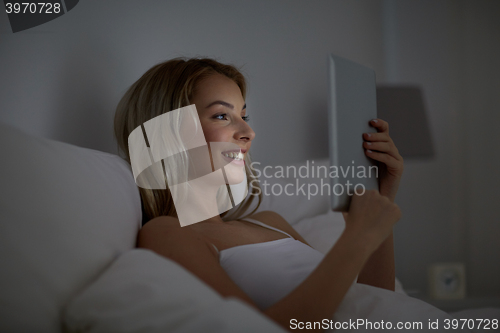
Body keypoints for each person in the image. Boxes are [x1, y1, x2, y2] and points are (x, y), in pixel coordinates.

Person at [114, 57, 404, 332]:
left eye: (243, 115)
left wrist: (382, 197)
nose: (248, 132)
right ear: (168, 135)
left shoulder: (271, 222)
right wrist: (356, 240)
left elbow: (372, 308)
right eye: (221, 115)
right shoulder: (168, 233)